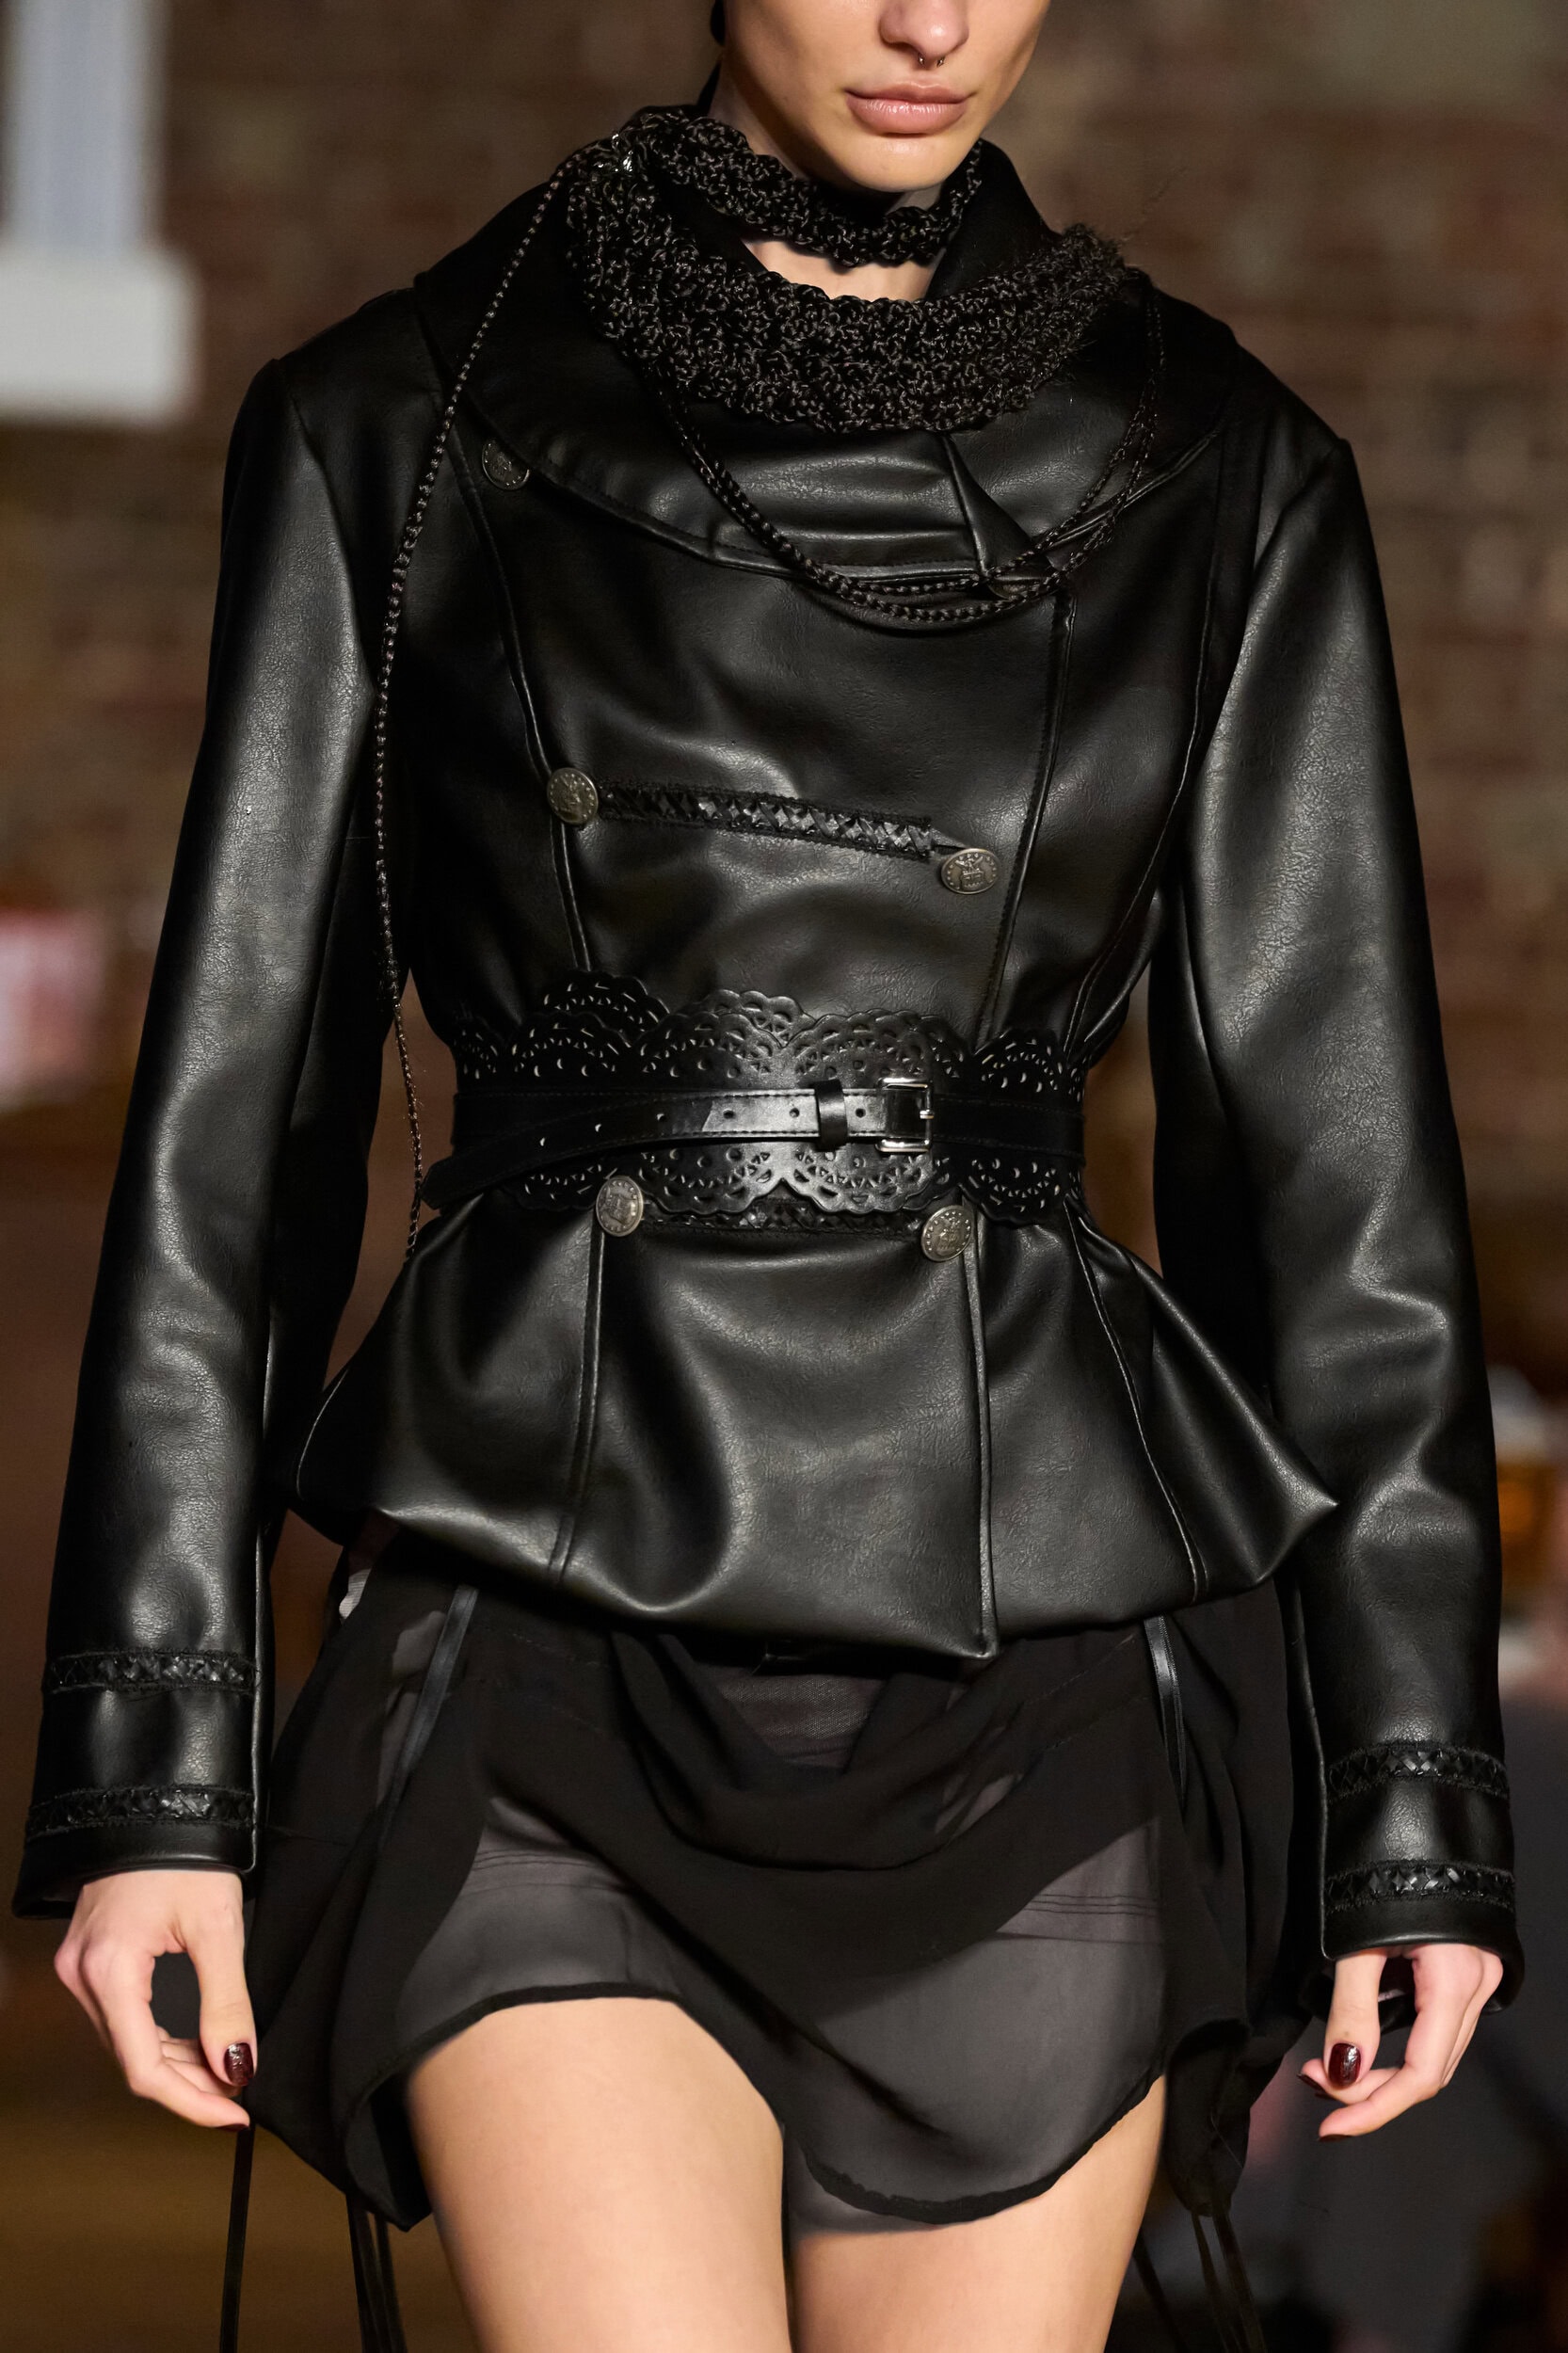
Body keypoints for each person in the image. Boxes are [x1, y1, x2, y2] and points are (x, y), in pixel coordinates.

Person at [16, 4, 1521, 2349]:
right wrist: (156, 1772)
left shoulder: (1217, 468)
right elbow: (238, 1135)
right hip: (548, 1627)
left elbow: (1338, 1200)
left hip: (1029, 1673)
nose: (930, 22)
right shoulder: (396, 420)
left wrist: (1406, 1798)